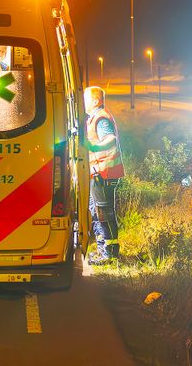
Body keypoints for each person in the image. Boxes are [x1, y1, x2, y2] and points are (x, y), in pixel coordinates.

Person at [84, 86, 125, 265]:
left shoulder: (101, 118)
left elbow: (110, 139)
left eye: (85, 98)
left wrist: (93, 147)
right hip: (99, 172)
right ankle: (103, 250)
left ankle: (110, 254)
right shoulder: (94, 118)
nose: (82, 101)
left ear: (95, 101)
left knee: (104, 212)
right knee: (97, 211)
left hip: (105, 173)